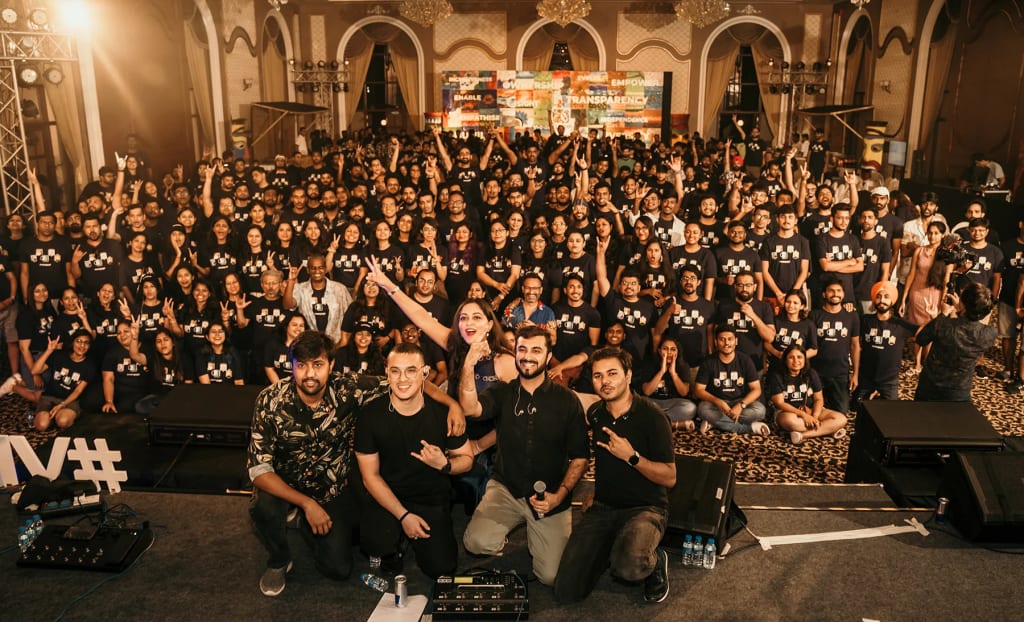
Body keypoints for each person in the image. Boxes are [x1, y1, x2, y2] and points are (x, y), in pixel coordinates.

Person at [247, 330, 464, 597]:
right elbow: (258, 470)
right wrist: (306, 503)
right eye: (301, 365)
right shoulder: (270, 400)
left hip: (331, 487)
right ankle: (279, 560)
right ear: (291, 366)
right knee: (263, 507)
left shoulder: (348, 387)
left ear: (331, 365)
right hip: (283, 483)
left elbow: (406, 380)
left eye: (318, 364)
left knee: (338, 569)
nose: (310, 374)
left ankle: (303, 522)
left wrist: (452, 404)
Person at [458, 325, 589, 586]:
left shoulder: (567, 401)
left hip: (550, 496)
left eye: (536, 350)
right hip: (506, 488)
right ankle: (518, 530)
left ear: (548, 356)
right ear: (515, 353)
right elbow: (470, 408)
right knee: (475, 543)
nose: (528, 356)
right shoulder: (502, 392)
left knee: (550, 577)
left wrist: (559, 496)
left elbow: (580, 457)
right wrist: (468, 365)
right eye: (522, 349)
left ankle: (541, 536)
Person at [554, 347, 675, 604]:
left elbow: (669, 477)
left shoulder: (653, 417)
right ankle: (611, 548)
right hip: (604, 507)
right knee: (566, 590)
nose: (605, 382)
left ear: (628, 376)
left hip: (645, 508)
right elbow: (603, 460)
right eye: (597, 376)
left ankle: (654, 561)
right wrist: (595, 492)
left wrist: (632, 457)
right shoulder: (596, 413)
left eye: (612, 373)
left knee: (628, 568)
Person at [355, 343, 474, 579]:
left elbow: (467, 459)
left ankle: (413, 538)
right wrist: (404, 516)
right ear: (387, 372)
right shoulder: (370, 415)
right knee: (375, 544)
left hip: (430, 497)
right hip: (388, 495)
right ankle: (394, 544)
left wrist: (445, 464)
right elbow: (370, 477)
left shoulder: (443, 414)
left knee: (442, 568)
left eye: (411, 370)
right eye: (395, 371)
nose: (402, 379)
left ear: (425, 373)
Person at [915, 282, 997, 401]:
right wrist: (961, 309)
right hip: (959, 391)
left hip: (930, 388)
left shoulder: (943, 324)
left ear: (963, 303)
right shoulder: (989, 334)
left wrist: (943, 314)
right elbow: (966, 328)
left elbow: (921, 339)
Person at [693, 325, 769, 436]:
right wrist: (718, 401)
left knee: (760, 410)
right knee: (702, 409)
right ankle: (750, 428)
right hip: (717, 404)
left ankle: (715, 422)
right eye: (722, 339)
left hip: (740, 401)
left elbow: (756, 389)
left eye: (730, 339)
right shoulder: (708, 362)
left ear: (736, 341)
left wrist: (741, 405)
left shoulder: (745, 360)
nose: (726, 343)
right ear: (716, 342)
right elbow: (698, 390)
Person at [768, 344, 848, 444]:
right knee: (792, 422)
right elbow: (780, 403)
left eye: (799, 357)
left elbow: (819, 399)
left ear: (805, 359)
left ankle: (803, 435)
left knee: (841, 419)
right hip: (787, 412)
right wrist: (803, 415)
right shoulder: (777, 376)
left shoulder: (811, 373)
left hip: (810, 410)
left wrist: (814, 416)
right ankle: (828, 429)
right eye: (791, 357)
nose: (796, 361)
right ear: (785, 360)